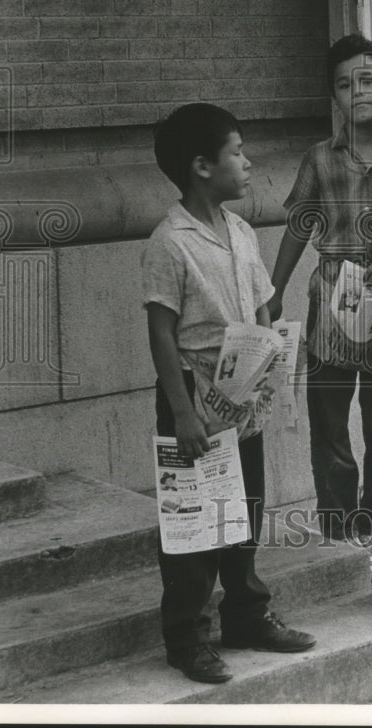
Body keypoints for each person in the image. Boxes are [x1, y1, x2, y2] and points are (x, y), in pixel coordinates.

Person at [141, 103, 316, 684]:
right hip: (194, 399)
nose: (247, 163)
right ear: (201, 167)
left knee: (245, 512)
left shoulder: (240, 231)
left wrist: (273, 360)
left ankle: (245, 615)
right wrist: (184, 413)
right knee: (194, 522)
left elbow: (265, 304)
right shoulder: (170, 243)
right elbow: (162, 333)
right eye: (237, 152)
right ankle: (186, 637)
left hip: (242, 398)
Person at [268, 34, 372, 581]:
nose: (359, 92)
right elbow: (298, 228)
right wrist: (274, 290)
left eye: (368, 80)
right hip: (330, 304)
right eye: (346, 84)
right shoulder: (320, 160)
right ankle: (337, 533)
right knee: (328, 429)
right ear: (336, 97)